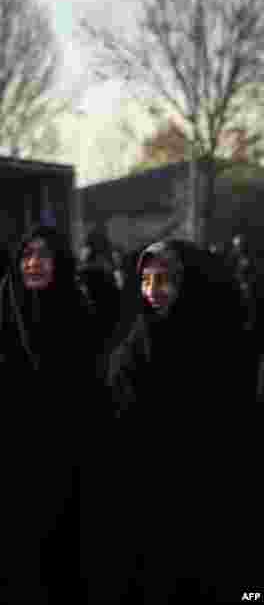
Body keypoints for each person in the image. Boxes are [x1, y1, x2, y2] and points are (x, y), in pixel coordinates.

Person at [0, 225, 107, 604]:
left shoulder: (80, 314)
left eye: (43, 254)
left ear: (59, 261)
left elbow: (92, 392)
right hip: (3, 471)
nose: (34, 263)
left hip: (67, 472)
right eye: (27, 254)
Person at [105, 240, 256, 602]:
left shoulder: (223, 343)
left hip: (208, 497)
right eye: (146, 280)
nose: (152, 291)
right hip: (149, 496)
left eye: (165, 280)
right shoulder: (133, 344)